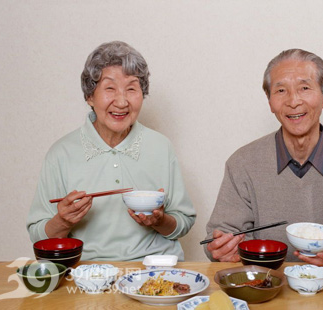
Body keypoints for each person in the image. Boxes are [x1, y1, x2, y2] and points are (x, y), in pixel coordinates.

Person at [204, 49, 323, 267]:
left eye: (304, 88)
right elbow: (221, 237)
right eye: (281, 90)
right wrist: (222, 248)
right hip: (264, 284)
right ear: (270, 101)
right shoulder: (242, 163)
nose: (293, 101)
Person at [27, 41, 196, 261]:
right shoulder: (61, 153)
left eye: (132, 88)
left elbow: (184, 222)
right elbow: (38, 237)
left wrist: (159, 221)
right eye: (109, 88)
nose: (122, 101)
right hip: (88, 273)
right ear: (90, 96)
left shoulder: (161, 147)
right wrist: (63, 221)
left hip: (153, 268)